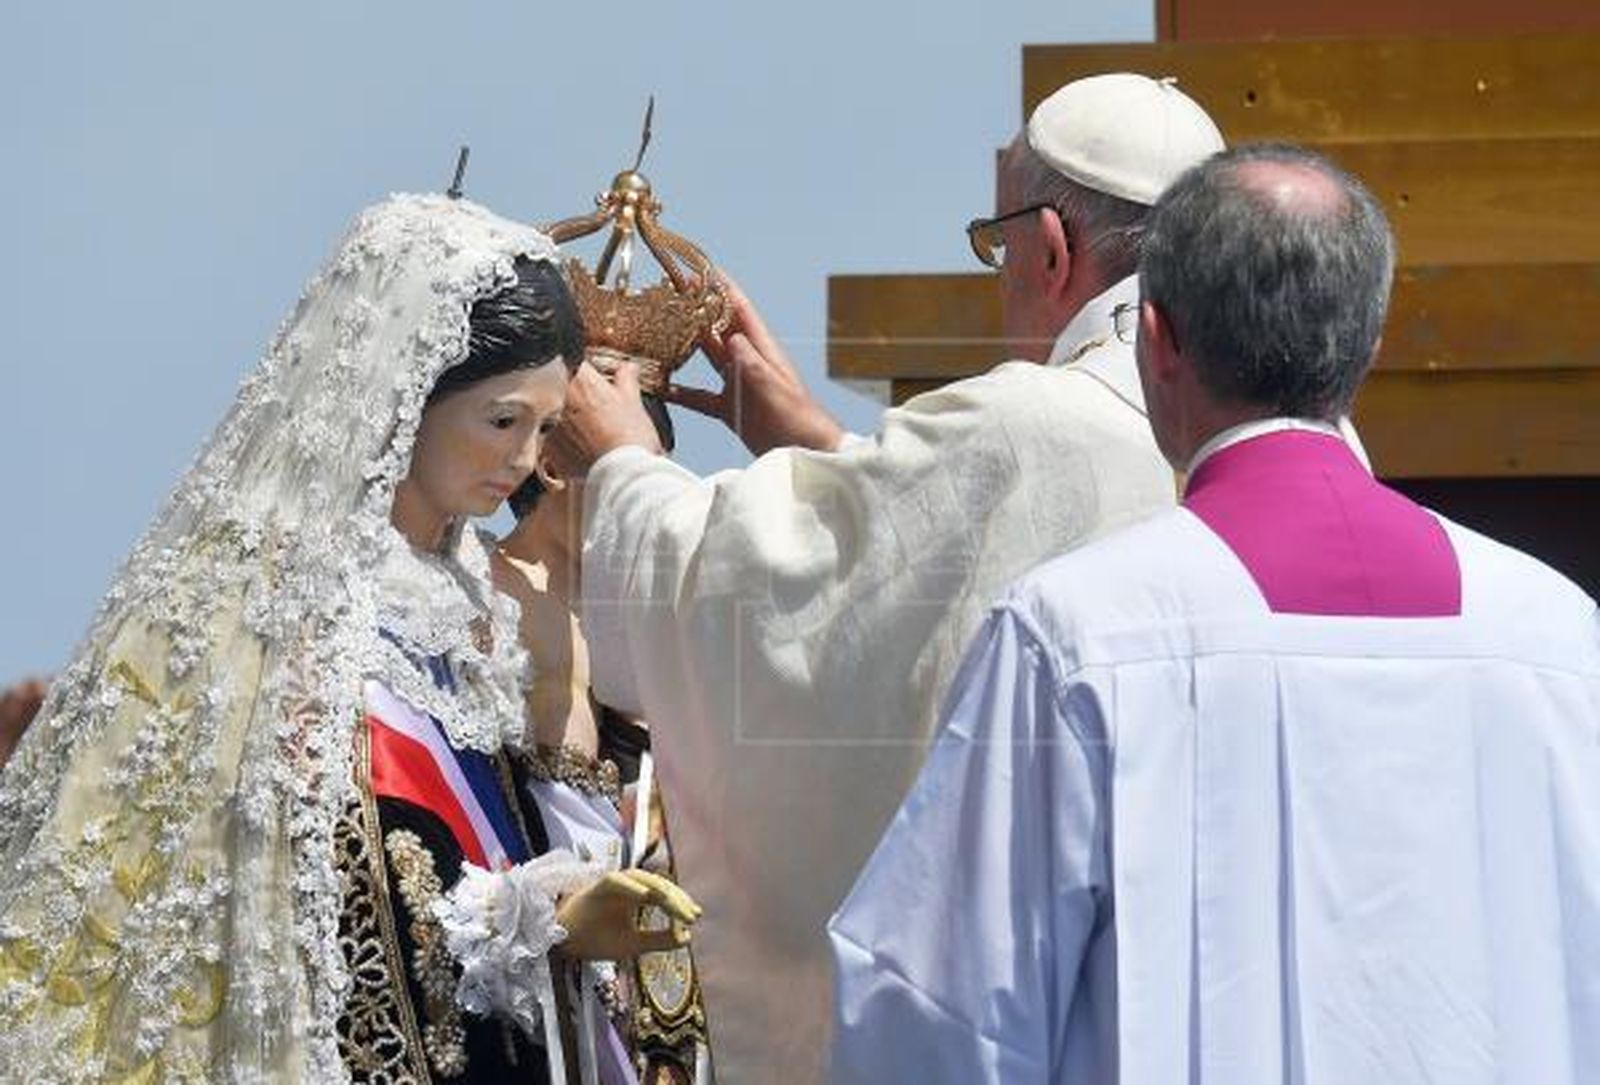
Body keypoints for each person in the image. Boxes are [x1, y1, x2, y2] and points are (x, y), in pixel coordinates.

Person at [828, 144, 1600, 1083]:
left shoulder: (1076, 634)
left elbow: (935, 1018)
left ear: (1157, 337)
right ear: (1369, 348)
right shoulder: (1558, 636)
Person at [554, 73, 1225, 1082]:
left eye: (998, 246)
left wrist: (623, 465)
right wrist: (828, 448)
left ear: (1053, 247)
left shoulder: (1027, 427)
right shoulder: (1238, 415)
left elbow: (765, 619)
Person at [0, 195, 697, 1083]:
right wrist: (529, 913)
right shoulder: (256, 599)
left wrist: (553, 910)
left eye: (546, 429)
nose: (525, 459)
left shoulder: (475, 607)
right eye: (501, 419)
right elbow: (267, 869)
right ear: (408, 394)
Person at [493, 393, 713, 1084]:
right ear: (556, 467)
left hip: (651, 969)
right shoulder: (486, 591)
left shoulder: (642, 620)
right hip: (532, 950)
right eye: (629, 480)